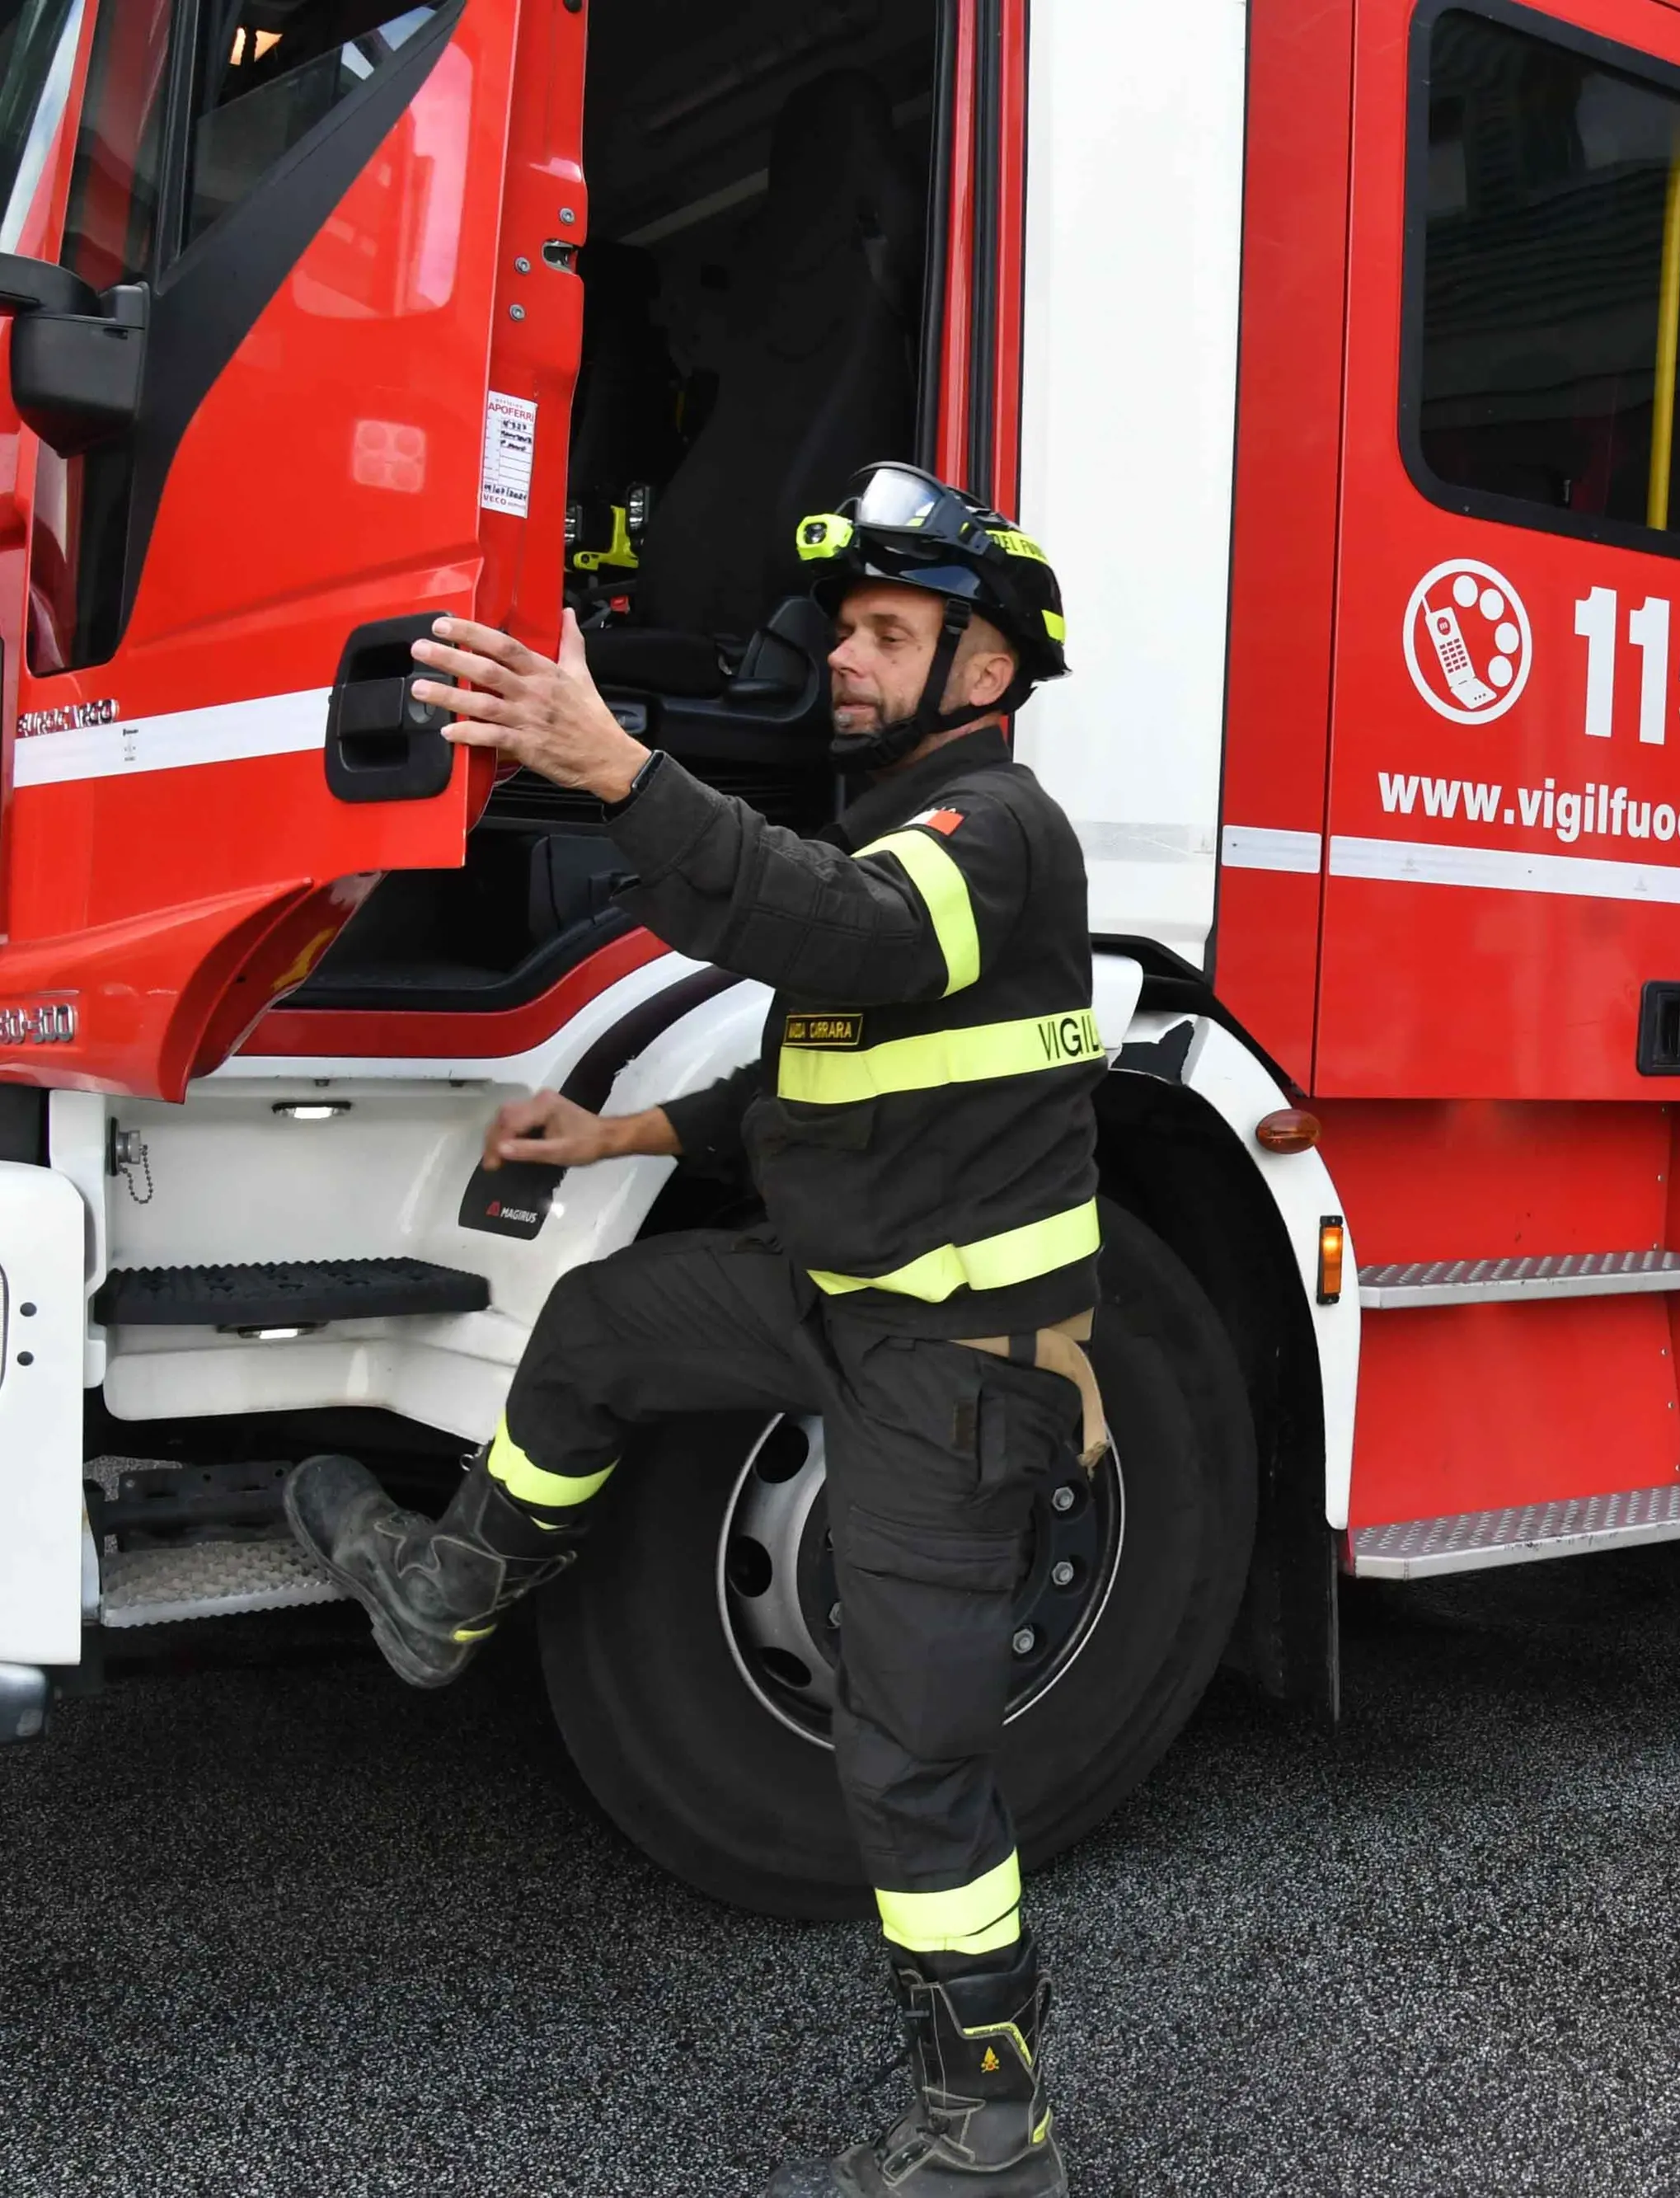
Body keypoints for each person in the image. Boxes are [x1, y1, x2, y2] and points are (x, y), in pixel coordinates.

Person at [284, 463, 1096, 2196]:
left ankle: (990, 2117)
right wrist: (622, 1132)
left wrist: (612, 769)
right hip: (848, 1304)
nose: (853, 662)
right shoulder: (905, 830)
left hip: (963, 1370)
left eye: (891, 633)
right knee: (599, 1327)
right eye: (853, 632)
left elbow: (838, 934)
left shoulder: (991, 833)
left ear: (986, 671)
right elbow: (824, 1069)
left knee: (909, 1752)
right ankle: (446, 1600)